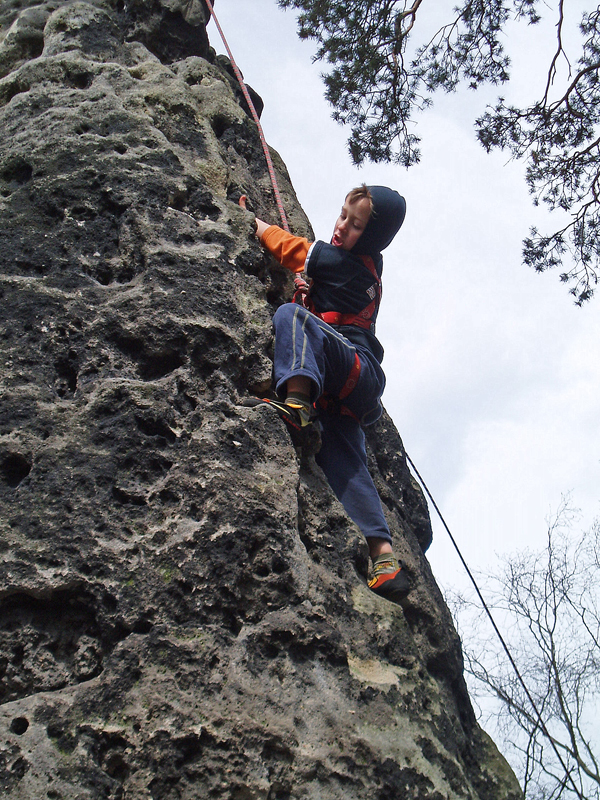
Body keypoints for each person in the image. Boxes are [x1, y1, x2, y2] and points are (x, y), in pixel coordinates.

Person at [239, 185, 409, 603]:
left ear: (370, 237)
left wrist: (252, 223)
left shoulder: (346, 264)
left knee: (290, 316)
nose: (342, 227)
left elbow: (293, 249)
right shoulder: (365, 269)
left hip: (352, 365)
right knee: (345, 461)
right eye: (342, 215)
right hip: (352, 388)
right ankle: (384, 559)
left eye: (356, 225)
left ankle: (296, 403)